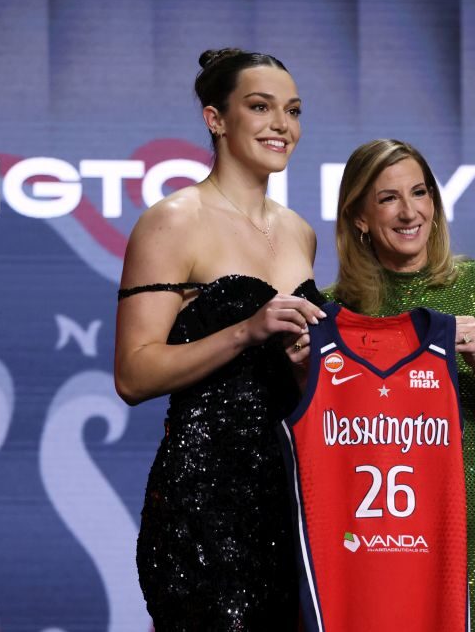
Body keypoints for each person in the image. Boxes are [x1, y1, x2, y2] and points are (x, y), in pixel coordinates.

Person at [114, 48, 325, 630]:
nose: (281, 124)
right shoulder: (173, 220)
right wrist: (246, 331)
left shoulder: (301, 232)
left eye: (293, 110)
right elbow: (133, 374)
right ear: (216, 119)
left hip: (291, 495)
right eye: (260, 107)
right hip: (206, 499)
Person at [296, 138, 475, 632]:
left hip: (474, 526)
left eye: (419, 192)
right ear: (359, 217)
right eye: (388, 198)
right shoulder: (329, 311)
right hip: (376, 537)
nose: (410, 212)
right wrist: (299, 368)